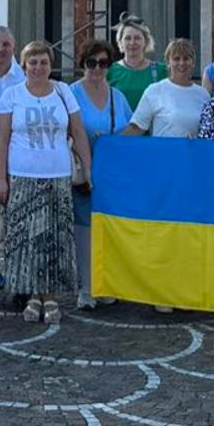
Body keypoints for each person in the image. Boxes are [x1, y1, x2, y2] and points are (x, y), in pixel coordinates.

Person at [0, 41, 93, 324]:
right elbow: (0, 140)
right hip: (23, 176)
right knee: (26, 240)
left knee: (55, 239)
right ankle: (32, 295)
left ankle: (50, 296)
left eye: (43, 63)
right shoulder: (12, 95)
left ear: (51, 66)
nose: (38, 68)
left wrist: (88, 168)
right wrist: (0, 178)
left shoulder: (63, 93)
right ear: (24, 65)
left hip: (57, 175)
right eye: (33, 62)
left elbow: (78, 131)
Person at [69, 38, 132, 310]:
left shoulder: (118, 97)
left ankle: (107, 283)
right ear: (83, 64)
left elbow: (131, 131)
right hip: (83, 172)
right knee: (84, 229)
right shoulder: (71, 92)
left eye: (103, 63)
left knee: (109, 228)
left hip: (112, 174)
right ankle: (86, 286)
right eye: (92, 63)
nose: (97, 68)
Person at [122, 39, 205, 138]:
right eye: (176, 59)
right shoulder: (154, 91)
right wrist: (106, 143)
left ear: (193, 62)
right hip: (162, 153)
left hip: (193, 153)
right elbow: (136, 128)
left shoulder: (203, 94)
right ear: (168, 62)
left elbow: (209, 132)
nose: (182, 63)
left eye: (186, 58)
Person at [108, 16, 167, 110]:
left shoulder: (161, 71)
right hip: (121, 124)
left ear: (146, 41)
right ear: (120, 42)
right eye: (127, 38)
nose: (132, 42)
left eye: (137, 38)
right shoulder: (110, 71)